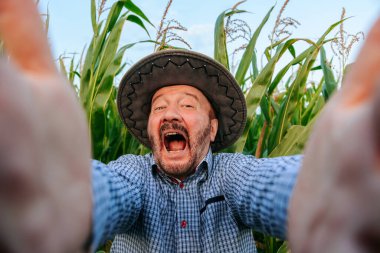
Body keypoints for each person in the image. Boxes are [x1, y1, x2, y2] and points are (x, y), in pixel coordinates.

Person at [0, 0, 379, 252]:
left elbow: (267, 183)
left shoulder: (233, 173)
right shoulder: (133, 175)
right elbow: (103, 189)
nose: (169, 113)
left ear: (212, 129)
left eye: (187, 104)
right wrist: (62, 193)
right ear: (150, 127)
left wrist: (325, 187)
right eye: (159, 106)